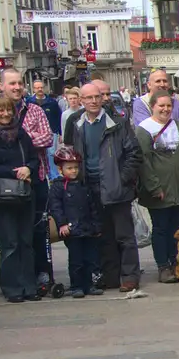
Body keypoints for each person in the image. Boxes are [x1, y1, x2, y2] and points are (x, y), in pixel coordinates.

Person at [64, 79, 142, 293]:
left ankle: (130, 276)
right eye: (88, 97)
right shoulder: (76, 123)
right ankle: (111, 276)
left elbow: (134, 153)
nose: (94, 101)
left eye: (97, 96)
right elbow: (69, 151)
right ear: (81, 100)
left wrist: (123, 178)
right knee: (104, 235)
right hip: (90, 186)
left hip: (116, 186)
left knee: (124, 236)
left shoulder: (117, 122)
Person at [0, 93, 42, 302]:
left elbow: (34, 159)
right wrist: (13, 172)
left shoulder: (21, 133)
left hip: (24, 192)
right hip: (0, 195)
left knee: (26, 241)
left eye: (8, 109)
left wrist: (28, 168)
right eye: (0, 110)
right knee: (10, 242)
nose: (5, 114)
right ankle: (12, 287)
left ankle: (29, 285)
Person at [0, 70, 55, 292]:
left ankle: (41, 273)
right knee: (11, 234)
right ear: (3, 86)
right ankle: (17, 277)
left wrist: (19, 138)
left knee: (38, 228)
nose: (17, 87)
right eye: (12, 83)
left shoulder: (35, 110)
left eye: (20, 83)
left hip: (36, 178)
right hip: (5, 183)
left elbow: (48, 137)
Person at [135, 89, 179, 284]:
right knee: (160, 227)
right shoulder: (144, 129)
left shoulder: (177, 125)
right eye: (161, 105)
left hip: (178, 185)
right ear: (153, 106)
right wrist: (154, 187)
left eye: (169, 105)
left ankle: (176, 262)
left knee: (177, 227)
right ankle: (163, 266)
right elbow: (144, 161)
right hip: (159, 188)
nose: (166, 109)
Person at [48, 146, 100, 297]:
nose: (73, 171)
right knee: (76, 260)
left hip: (87, 228)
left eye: (76, 168)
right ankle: (77, 285)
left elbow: (92, 207)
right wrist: (62, 224)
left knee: (90, 259)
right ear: (60, 170)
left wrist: (96, 225)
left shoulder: (83, 185)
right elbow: (56, 208)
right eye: (69, 168)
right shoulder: (57, 187)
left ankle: (89, 284)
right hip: (71, 230)